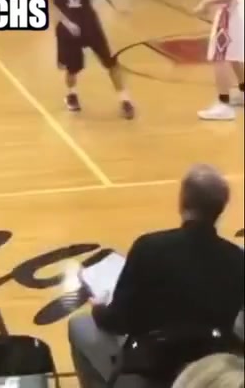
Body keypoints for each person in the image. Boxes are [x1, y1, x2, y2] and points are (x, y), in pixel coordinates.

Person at [68, 164, 244, 388]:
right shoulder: (237, 259)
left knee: (79, 325)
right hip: (211, 369)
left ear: (182, 201)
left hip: (152, 366)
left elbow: (118, 321)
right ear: (221, 208)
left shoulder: (149, 247)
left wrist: (99, 309)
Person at [50, 0, 135, 119]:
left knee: (111, 62)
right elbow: (51, 4)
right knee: (73, 68)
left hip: (89, 22)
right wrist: (67, 23)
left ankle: (125, 100)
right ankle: (71, 94)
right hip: (67, 26)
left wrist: (117, 6)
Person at [193, 0, 245, 121]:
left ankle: (224, 105)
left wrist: (205, 3)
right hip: (235, 11)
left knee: (219, 56)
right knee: (232, 55)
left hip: (229, 13)